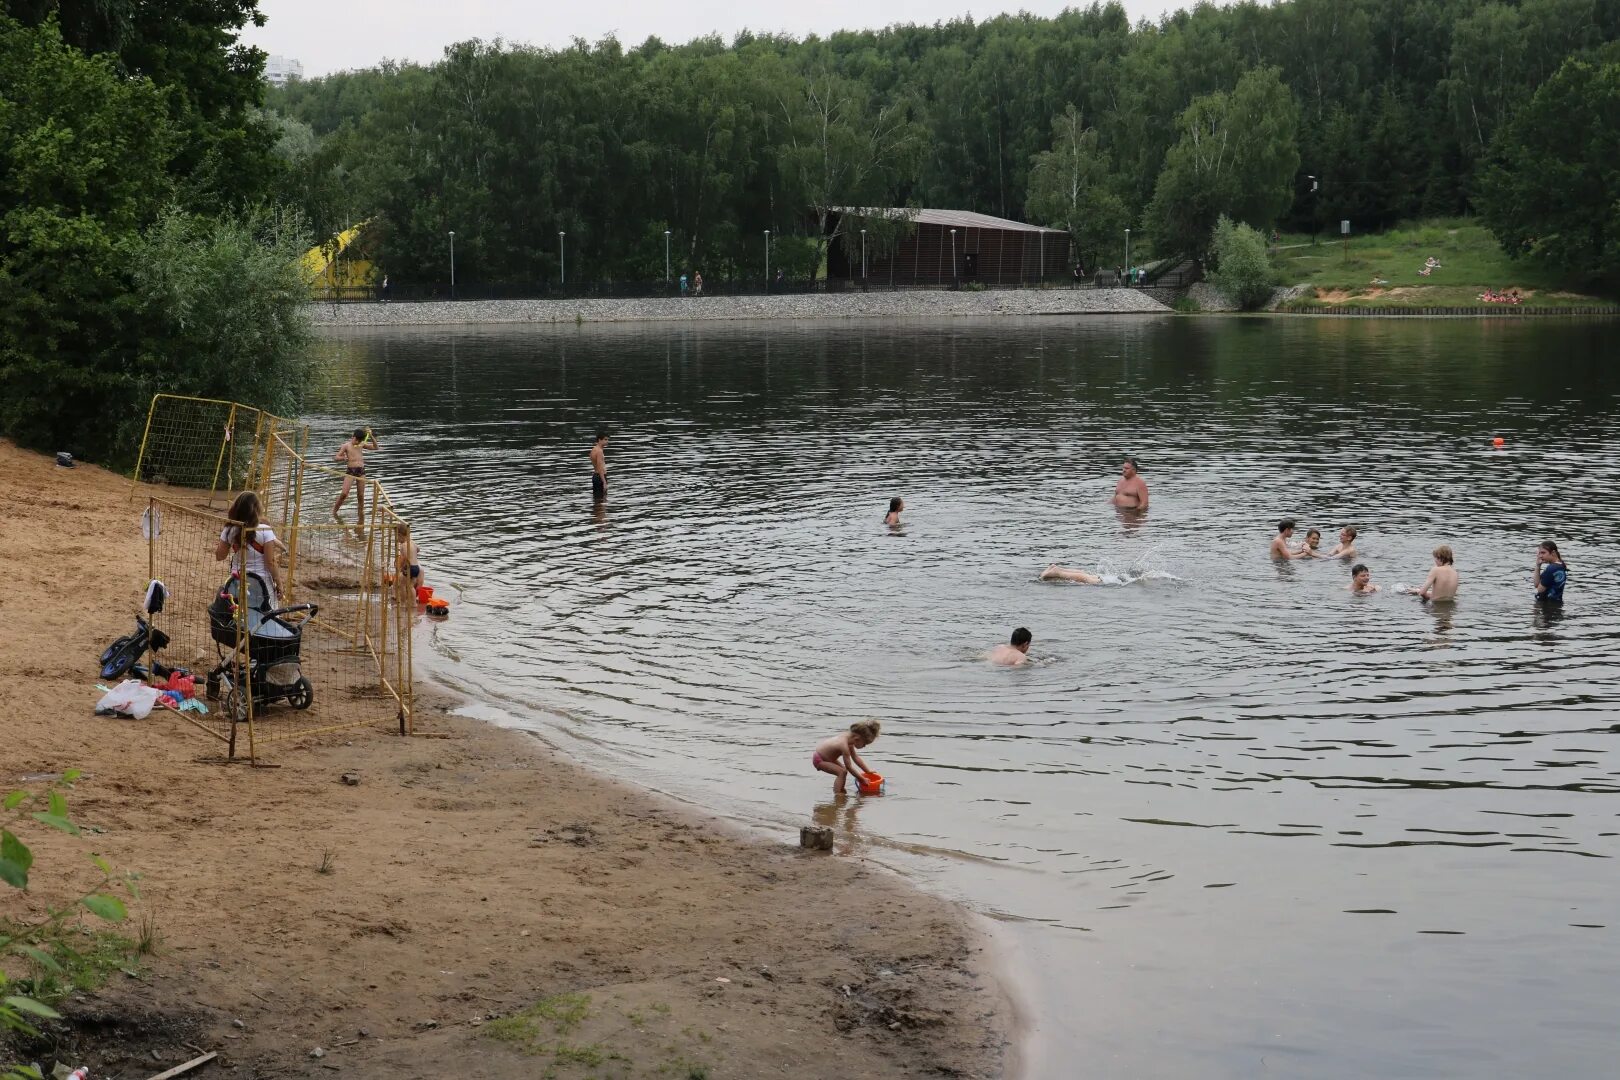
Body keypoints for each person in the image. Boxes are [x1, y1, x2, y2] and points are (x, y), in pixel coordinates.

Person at [215, 491, 284, 608]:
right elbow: (270, 562)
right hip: (261, 583)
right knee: (265, 615)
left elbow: (219, 556)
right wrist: (279, 583)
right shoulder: (265, 530)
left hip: (237, 581)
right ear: (256, 510)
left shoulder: (229, 529)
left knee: (239, 614)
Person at [812, 719, 880, 796]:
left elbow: (855, 758)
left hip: (827, 757)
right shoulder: (843, 746)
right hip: (819, 759)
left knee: (843, 771)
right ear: (857, 739)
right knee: (842, 772)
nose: (864, 746)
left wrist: (867, 771)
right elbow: (849, 767)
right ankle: (838, 794)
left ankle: (841, 789)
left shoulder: (849, 740)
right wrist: (861, 779)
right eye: (864, 744)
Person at [332, 427, 379, 529]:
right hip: (350, 471)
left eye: (359, 440)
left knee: (361, 496)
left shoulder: (361, 444)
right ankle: (334, 512)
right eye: (355, 439)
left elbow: (376, 447)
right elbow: (336, 457)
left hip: (361, 471)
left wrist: (371, 436)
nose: (356, 442)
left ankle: (360, 517)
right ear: (352, 437)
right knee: (344, 494)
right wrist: (343, 458)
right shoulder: (346, 446)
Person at [394, 523, 423, 596]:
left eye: (397, 537)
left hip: (410, 567)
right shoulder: (412, 542)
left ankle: (403, 603)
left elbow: (403, 558)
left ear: (400, 535)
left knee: (402, 585)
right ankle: (413, 603)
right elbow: (418, 550)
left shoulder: (403, 545)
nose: (397, 539)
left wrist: (400, 567)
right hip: (416, 568)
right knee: (410, 586)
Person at [590, 427, 609, 504]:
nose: (607, 441)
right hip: (600, 477)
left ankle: (597, 515)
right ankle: (601, 515)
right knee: (602, 501)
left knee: (597, 500)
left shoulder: (593, 449)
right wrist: (604, 482)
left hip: (596, 476)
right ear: (599, 440)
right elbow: (600, 467)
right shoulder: (599, 451)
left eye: (607, 440)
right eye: (605, 439)